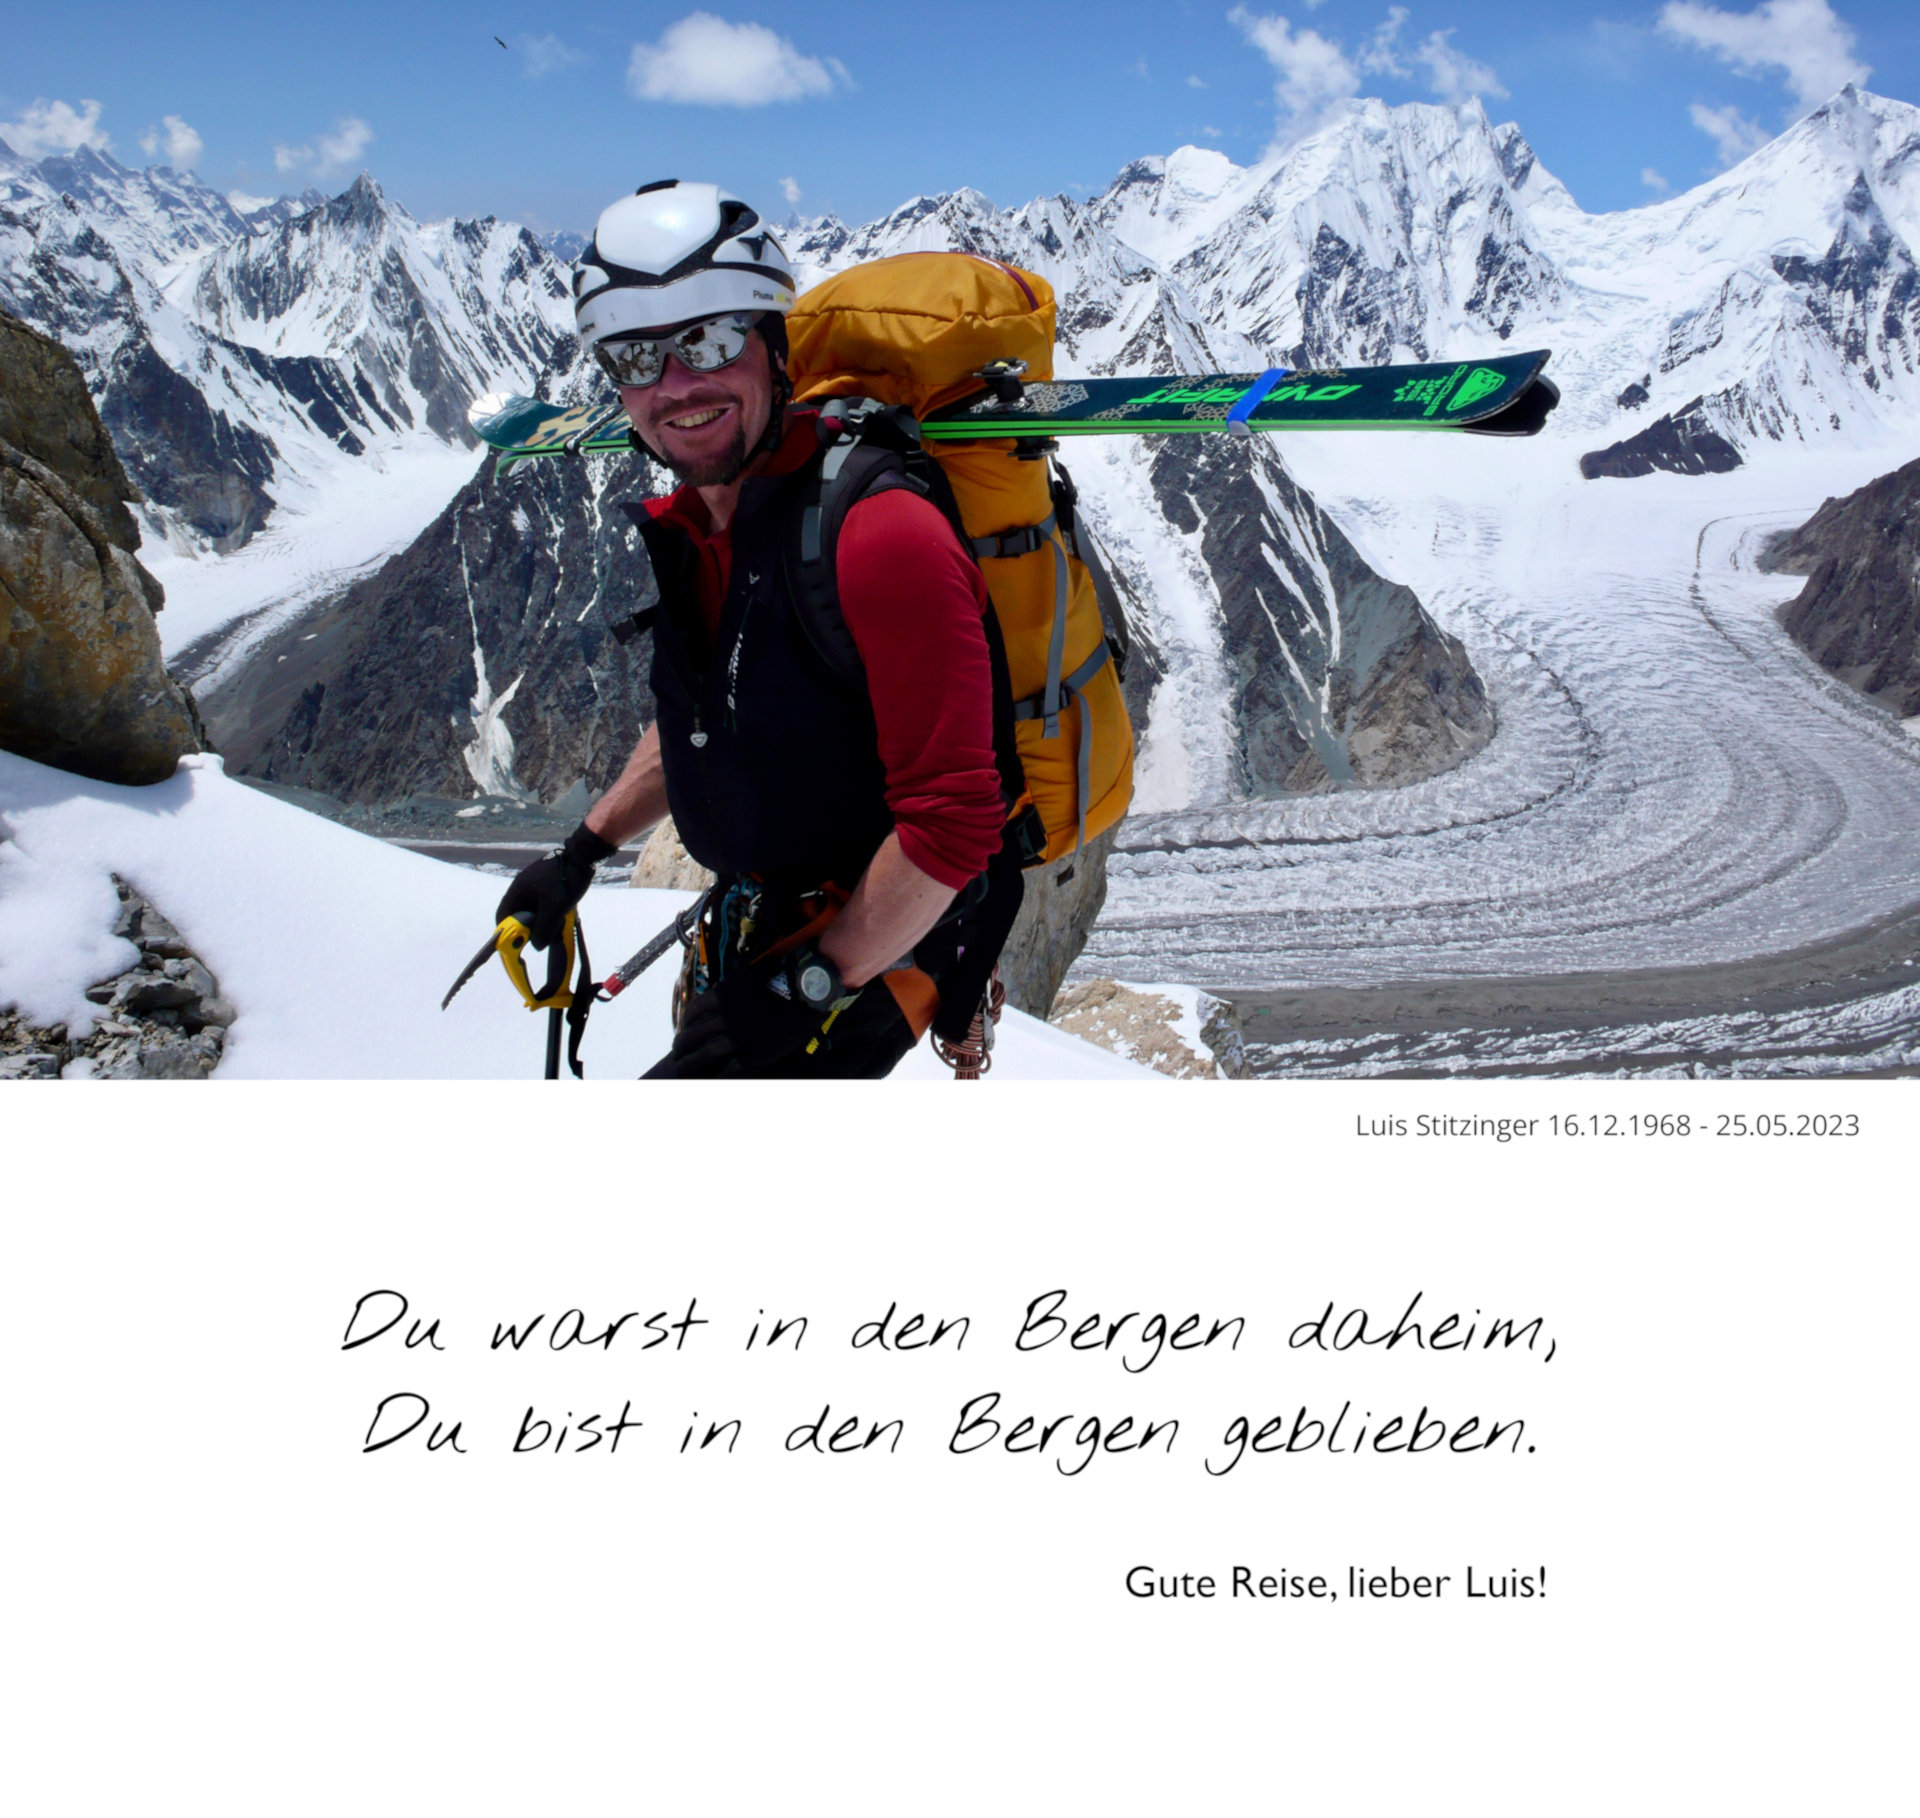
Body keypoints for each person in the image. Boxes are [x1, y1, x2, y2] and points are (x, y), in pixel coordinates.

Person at [496, 180, 1013, 1078]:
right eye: (635, 357)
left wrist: (808, 985)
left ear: (775, 348)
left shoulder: (880, 534)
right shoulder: (705, 524)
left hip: (872, 947)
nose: (678, 385)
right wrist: (582, 851)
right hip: (764, 933)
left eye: (711, 339)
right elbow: (715, 724)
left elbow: (955, 826)